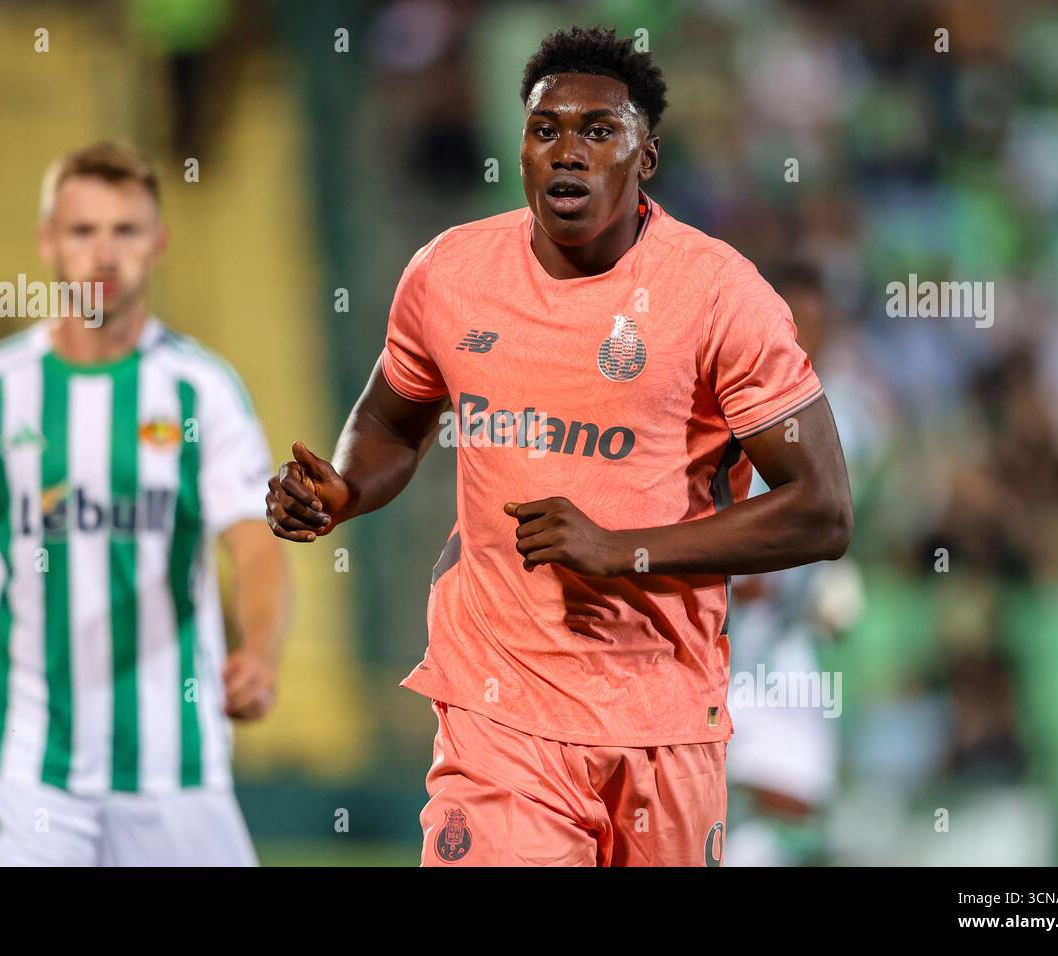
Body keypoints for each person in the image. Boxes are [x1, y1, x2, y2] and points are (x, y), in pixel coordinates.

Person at [267, 27, 852, 866]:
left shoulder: (721, 296)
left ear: (644, 158)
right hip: (500, 712)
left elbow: (823, 512)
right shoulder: (450, 274)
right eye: (547, 131)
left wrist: (624, 550)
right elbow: (394, 422)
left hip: (665, 719)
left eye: (598, 132)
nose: (567, 152)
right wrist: (342, 491)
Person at [0, 142, 287, 866]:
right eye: (82, 231)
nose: (104, 254)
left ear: (159, 244)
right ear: (47, 241)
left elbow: (255, 541)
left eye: (126, 231)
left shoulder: (204, 390)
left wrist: (259, 653)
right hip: (23, 765)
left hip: (177, 765)